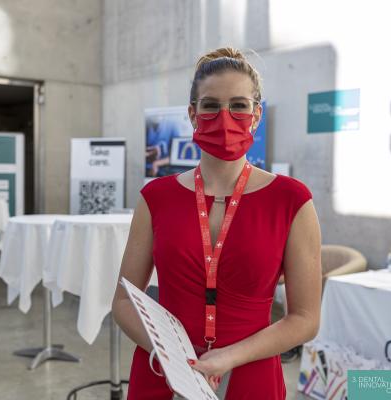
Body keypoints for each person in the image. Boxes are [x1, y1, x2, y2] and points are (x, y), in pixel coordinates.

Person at [111, 47, 322, 399]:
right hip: (164, 375)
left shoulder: (291, 200)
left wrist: (227, 358)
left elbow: (305, 319)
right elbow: (122, 301)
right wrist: (174, 358)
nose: (225, 118)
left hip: (250, 376)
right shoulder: (156, 197)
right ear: (193, 114)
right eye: (211, 105)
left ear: (256, 115)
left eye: (239, 105)